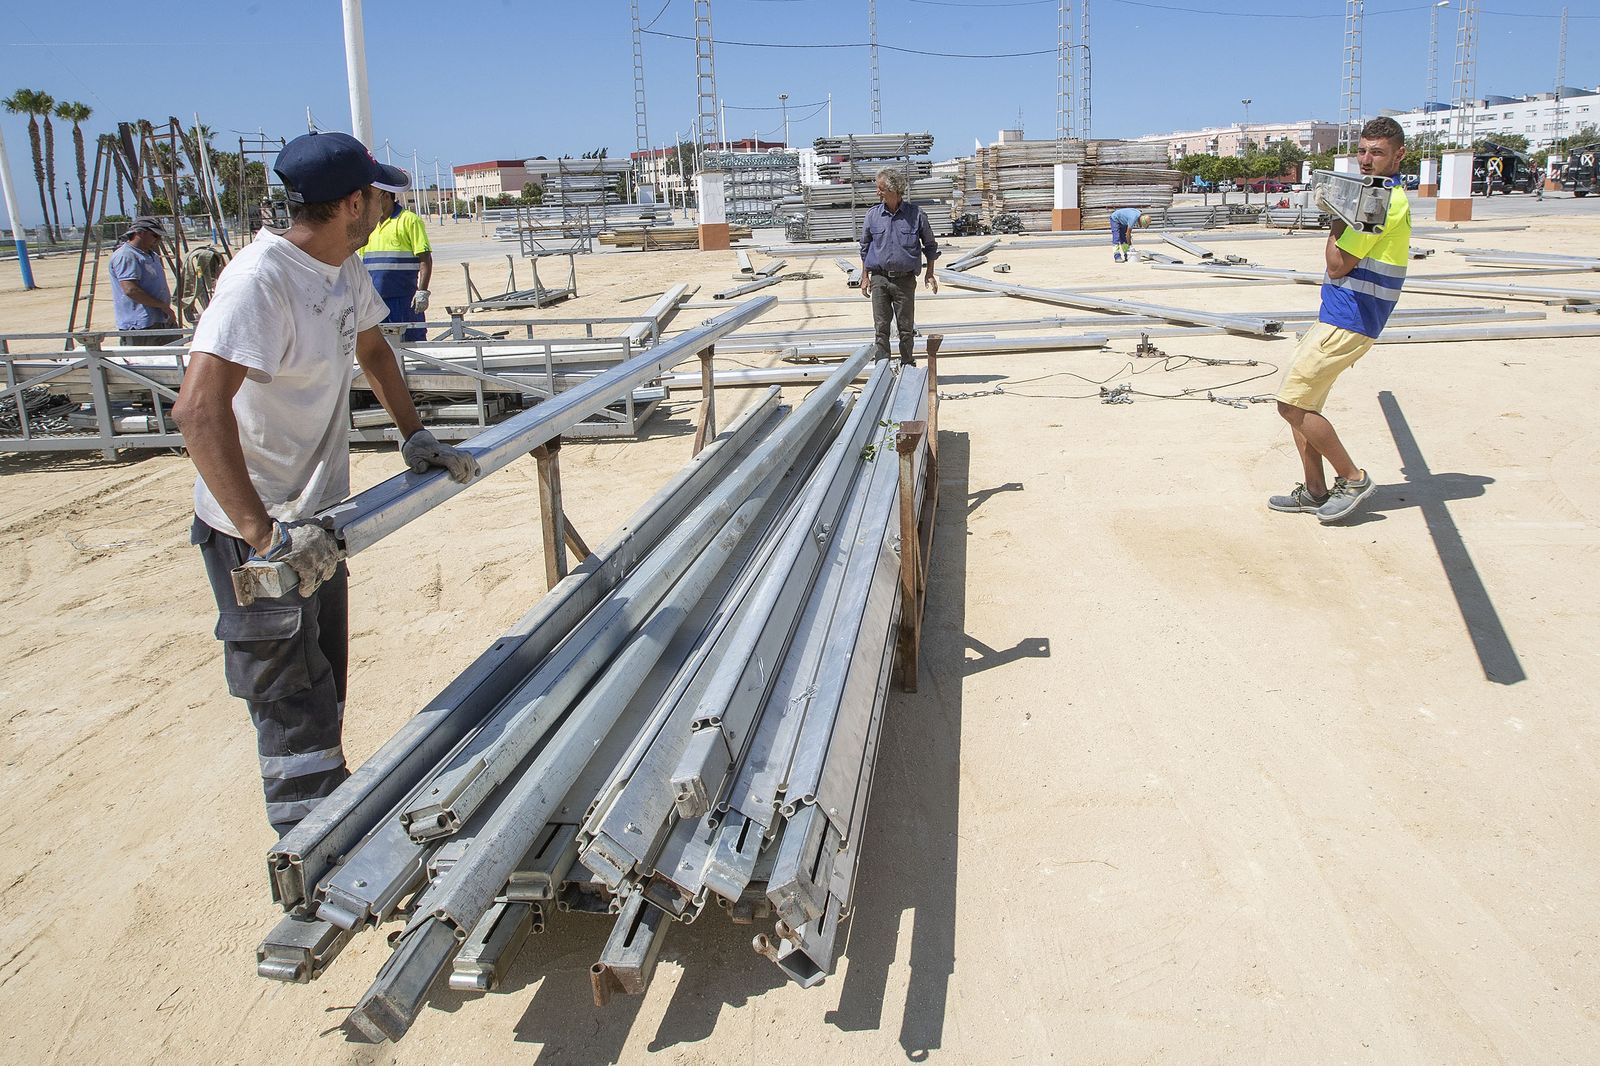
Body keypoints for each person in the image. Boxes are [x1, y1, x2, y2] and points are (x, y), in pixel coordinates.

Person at [172, 131, 479, 837]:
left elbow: (372, 346)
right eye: (377, 194)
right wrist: (264, 535)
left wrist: (415, 435)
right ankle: (310, 858)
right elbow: (196, 408)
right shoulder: (260, 282)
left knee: (324, 682)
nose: (385, 204)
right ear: (350, 203)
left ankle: (333, 826)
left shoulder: (341, 265)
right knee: (288, 699)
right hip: (256, 535)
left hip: (316, 522)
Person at [1269, 116, 1411, 525]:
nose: (1367, 160)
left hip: (1351, 317)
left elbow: (1336, 264)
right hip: (1340, 313)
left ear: (1398, 155)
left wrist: (1335, 217)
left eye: (1377, 153)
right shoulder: (1375, 193)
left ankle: (1352, 478)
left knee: (1292, 405)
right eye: (1363, 151)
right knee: (1304, 402)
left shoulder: (1381, 202)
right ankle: (1315, 491)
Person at [859, 167, 940, 366]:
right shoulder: (873, 216)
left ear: (893, 190)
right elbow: (865, 248)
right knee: (881, 327)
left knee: (905, 328)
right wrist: (865, 276)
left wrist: (929, 274)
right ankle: (882, 366)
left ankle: (907, 364)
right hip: (879, 279)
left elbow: (930, 246)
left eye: (880, 189)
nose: (877, 192)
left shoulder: (916, 215)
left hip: (905, 280)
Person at [359, 185, 433, 342]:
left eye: (371, 197)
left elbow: (425, 259)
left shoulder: (409, 220)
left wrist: (422, 292)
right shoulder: (369, 224)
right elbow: (361, 262)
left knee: (412, 342)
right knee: (380, 347)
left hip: (405, 299)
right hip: (374, 300)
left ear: (386, 196)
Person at [109, 216, 176, 344]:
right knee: (147, 362)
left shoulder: (150, 255)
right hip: (141, 325)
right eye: (155, 235)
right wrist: (163, 306)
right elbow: (131, 290)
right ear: (140, 233)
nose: (158, 240)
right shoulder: (126, 255)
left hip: (159, 319)